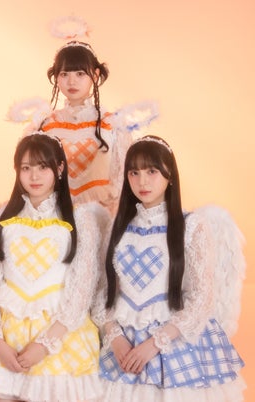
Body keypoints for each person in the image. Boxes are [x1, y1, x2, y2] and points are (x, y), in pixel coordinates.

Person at [94, 135, 246, 401]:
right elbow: (103, 293)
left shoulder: (191, 225)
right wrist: (115, 338)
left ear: (170, 175)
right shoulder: (117, 227)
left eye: (152, 171)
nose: (142, 181)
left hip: (174, 341)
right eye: (134, 172)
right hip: (121, 348)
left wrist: (155, 344)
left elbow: (201, 297)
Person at [0, 132, 108, 402]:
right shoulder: (2, 215)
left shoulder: (80, 219)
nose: (34, 176)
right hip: (7, 334)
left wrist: (44, 345)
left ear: (60, 168)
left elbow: (82, 290)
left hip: (59, 334)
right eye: (26, 168)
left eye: (43, 167)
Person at [35, 41, 138, 214]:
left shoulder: (113, 125)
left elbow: (124, 178)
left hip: (103, 216)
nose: (72, 81)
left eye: (80, 73)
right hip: (55, 218)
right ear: (57, 77)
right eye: (64, 74)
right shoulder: (44, 126)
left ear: (95, 75)